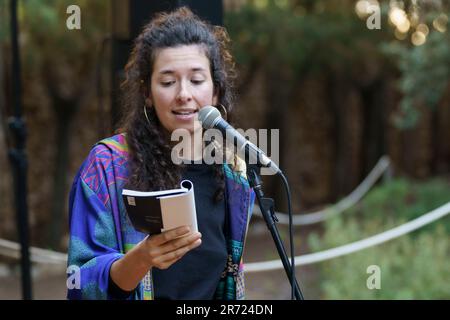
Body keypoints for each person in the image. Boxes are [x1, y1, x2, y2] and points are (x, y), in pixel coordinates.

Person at [67, 7, 255, 300]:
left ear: (216, 91)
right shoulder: (107, 165)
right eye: (167, 82)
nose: (183, 94)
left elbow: (230, 280)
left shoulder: (234, 171)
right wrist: (142, 258)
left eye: (196, 80)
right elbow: (79, 284)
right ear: (147, 93)